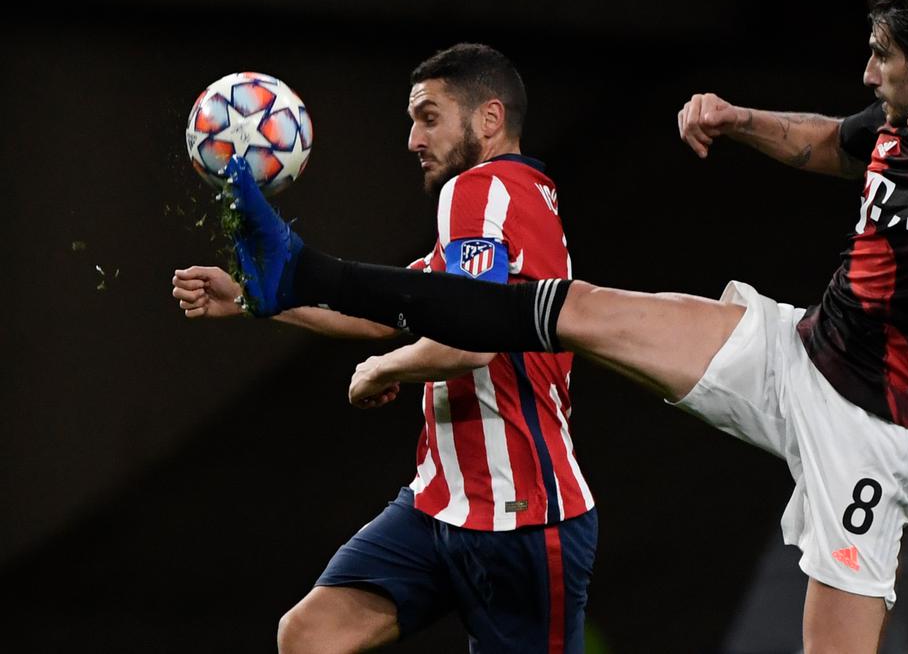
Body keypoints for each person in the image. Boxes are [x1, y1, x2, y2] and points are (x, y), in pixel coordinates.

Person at [225, 0, 908, 652]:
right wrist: (736, 118)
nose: (867, 71)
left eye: (881, 55)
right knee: (569, 307)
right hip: (798, 353)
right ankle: (305, 272)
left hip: (874, 430)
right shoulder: (896, 119)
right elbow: (828, 143)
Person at [172, 43, 597, 653]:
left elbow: (473, 342)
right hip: (441, 503)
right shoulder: (510, 200)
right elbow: (389, 315)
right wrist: (247, 298)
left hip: (522, 516)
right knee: (309, 634)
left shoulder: (479, 191)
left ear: (489, 119)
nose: (413, 140)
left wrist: (380, 370)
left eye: (429, 117)